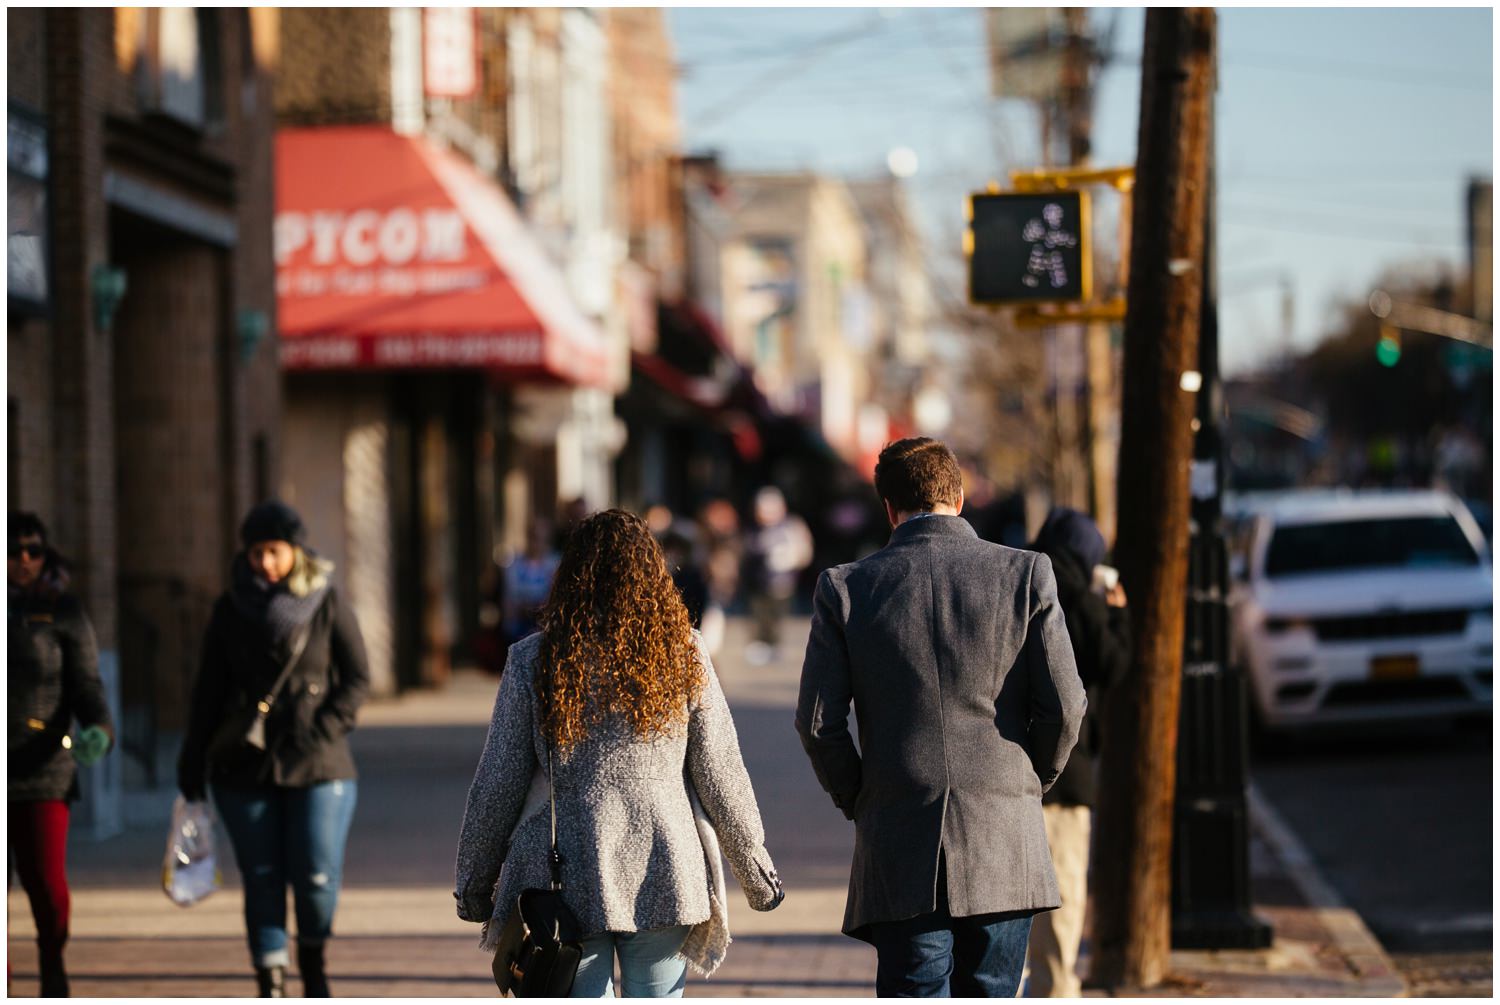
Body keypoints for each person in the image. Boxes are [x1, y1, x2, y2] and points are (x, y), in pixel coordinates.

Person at [795, 437, 1086, 997]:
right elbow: (1065, 704)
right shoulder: (1026, 574)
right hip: (1005, 828)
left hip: (900, 829)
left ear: (889, 508)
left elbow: (817, 723)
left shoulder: (846, 587)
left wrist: (860, 797)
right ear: (959, 495)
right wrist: (1031, 781)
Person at [455, 509, 784, 998]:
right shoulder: (684, 652)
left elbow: (498, 781)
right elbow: (720, 770)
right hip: (666, 865)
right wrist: (756, 872)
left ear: (569, 577)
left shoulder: (535, 659)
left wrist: (475, 884)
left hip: (564, 870)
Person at [177, 501, 370, 998]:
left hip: (319, 763)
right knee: (262, 877)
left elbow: (356, 678)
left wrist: (324, 727)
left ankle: (313, 960)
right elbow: (208, 692)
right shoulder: (230, 607)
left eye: (274, 551)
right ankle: (271, 979)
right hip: (245, 767)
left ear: (295, 551)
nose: (263, 561)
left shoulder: (326, 601)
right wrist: (192, 757)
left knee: (316, 875)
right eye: (255, 552)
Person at [1024, 508, 1131, 998]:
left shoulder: (1019, 581)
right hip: (1064, 777)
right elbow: (1111, 663)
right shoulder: (1077, 598)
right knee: (1060, 892)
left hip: (1009, 769)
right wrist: (1116, 609)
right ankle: (1057, 991)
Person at [8, 512, 114, 997]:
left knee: (46, 888)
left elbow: (87, 683)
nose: (23, 560)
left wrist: (99, 727)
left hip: (43, 768)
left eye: (33, 550)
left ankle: (52, 961)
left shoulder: (62, 610)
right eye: (13, 550)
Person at [741, 487, 813, 665]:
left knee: (777, 613)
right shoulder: (753, 529)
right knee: (758, 611)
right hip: (758, 579)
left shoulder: (792, 525)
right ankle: (759, 643)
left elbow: (804, 551)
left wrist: (790, 560)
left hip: (783, 580)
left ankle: (774, 644)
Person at [503, 519, 561, 648]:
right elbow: (510, 598)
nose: (536, 542)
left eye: (539, 537)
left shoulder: (554, 563)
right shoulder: (515, 564)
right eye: (533, 536)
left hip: (544, 624)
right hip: (519, 625)